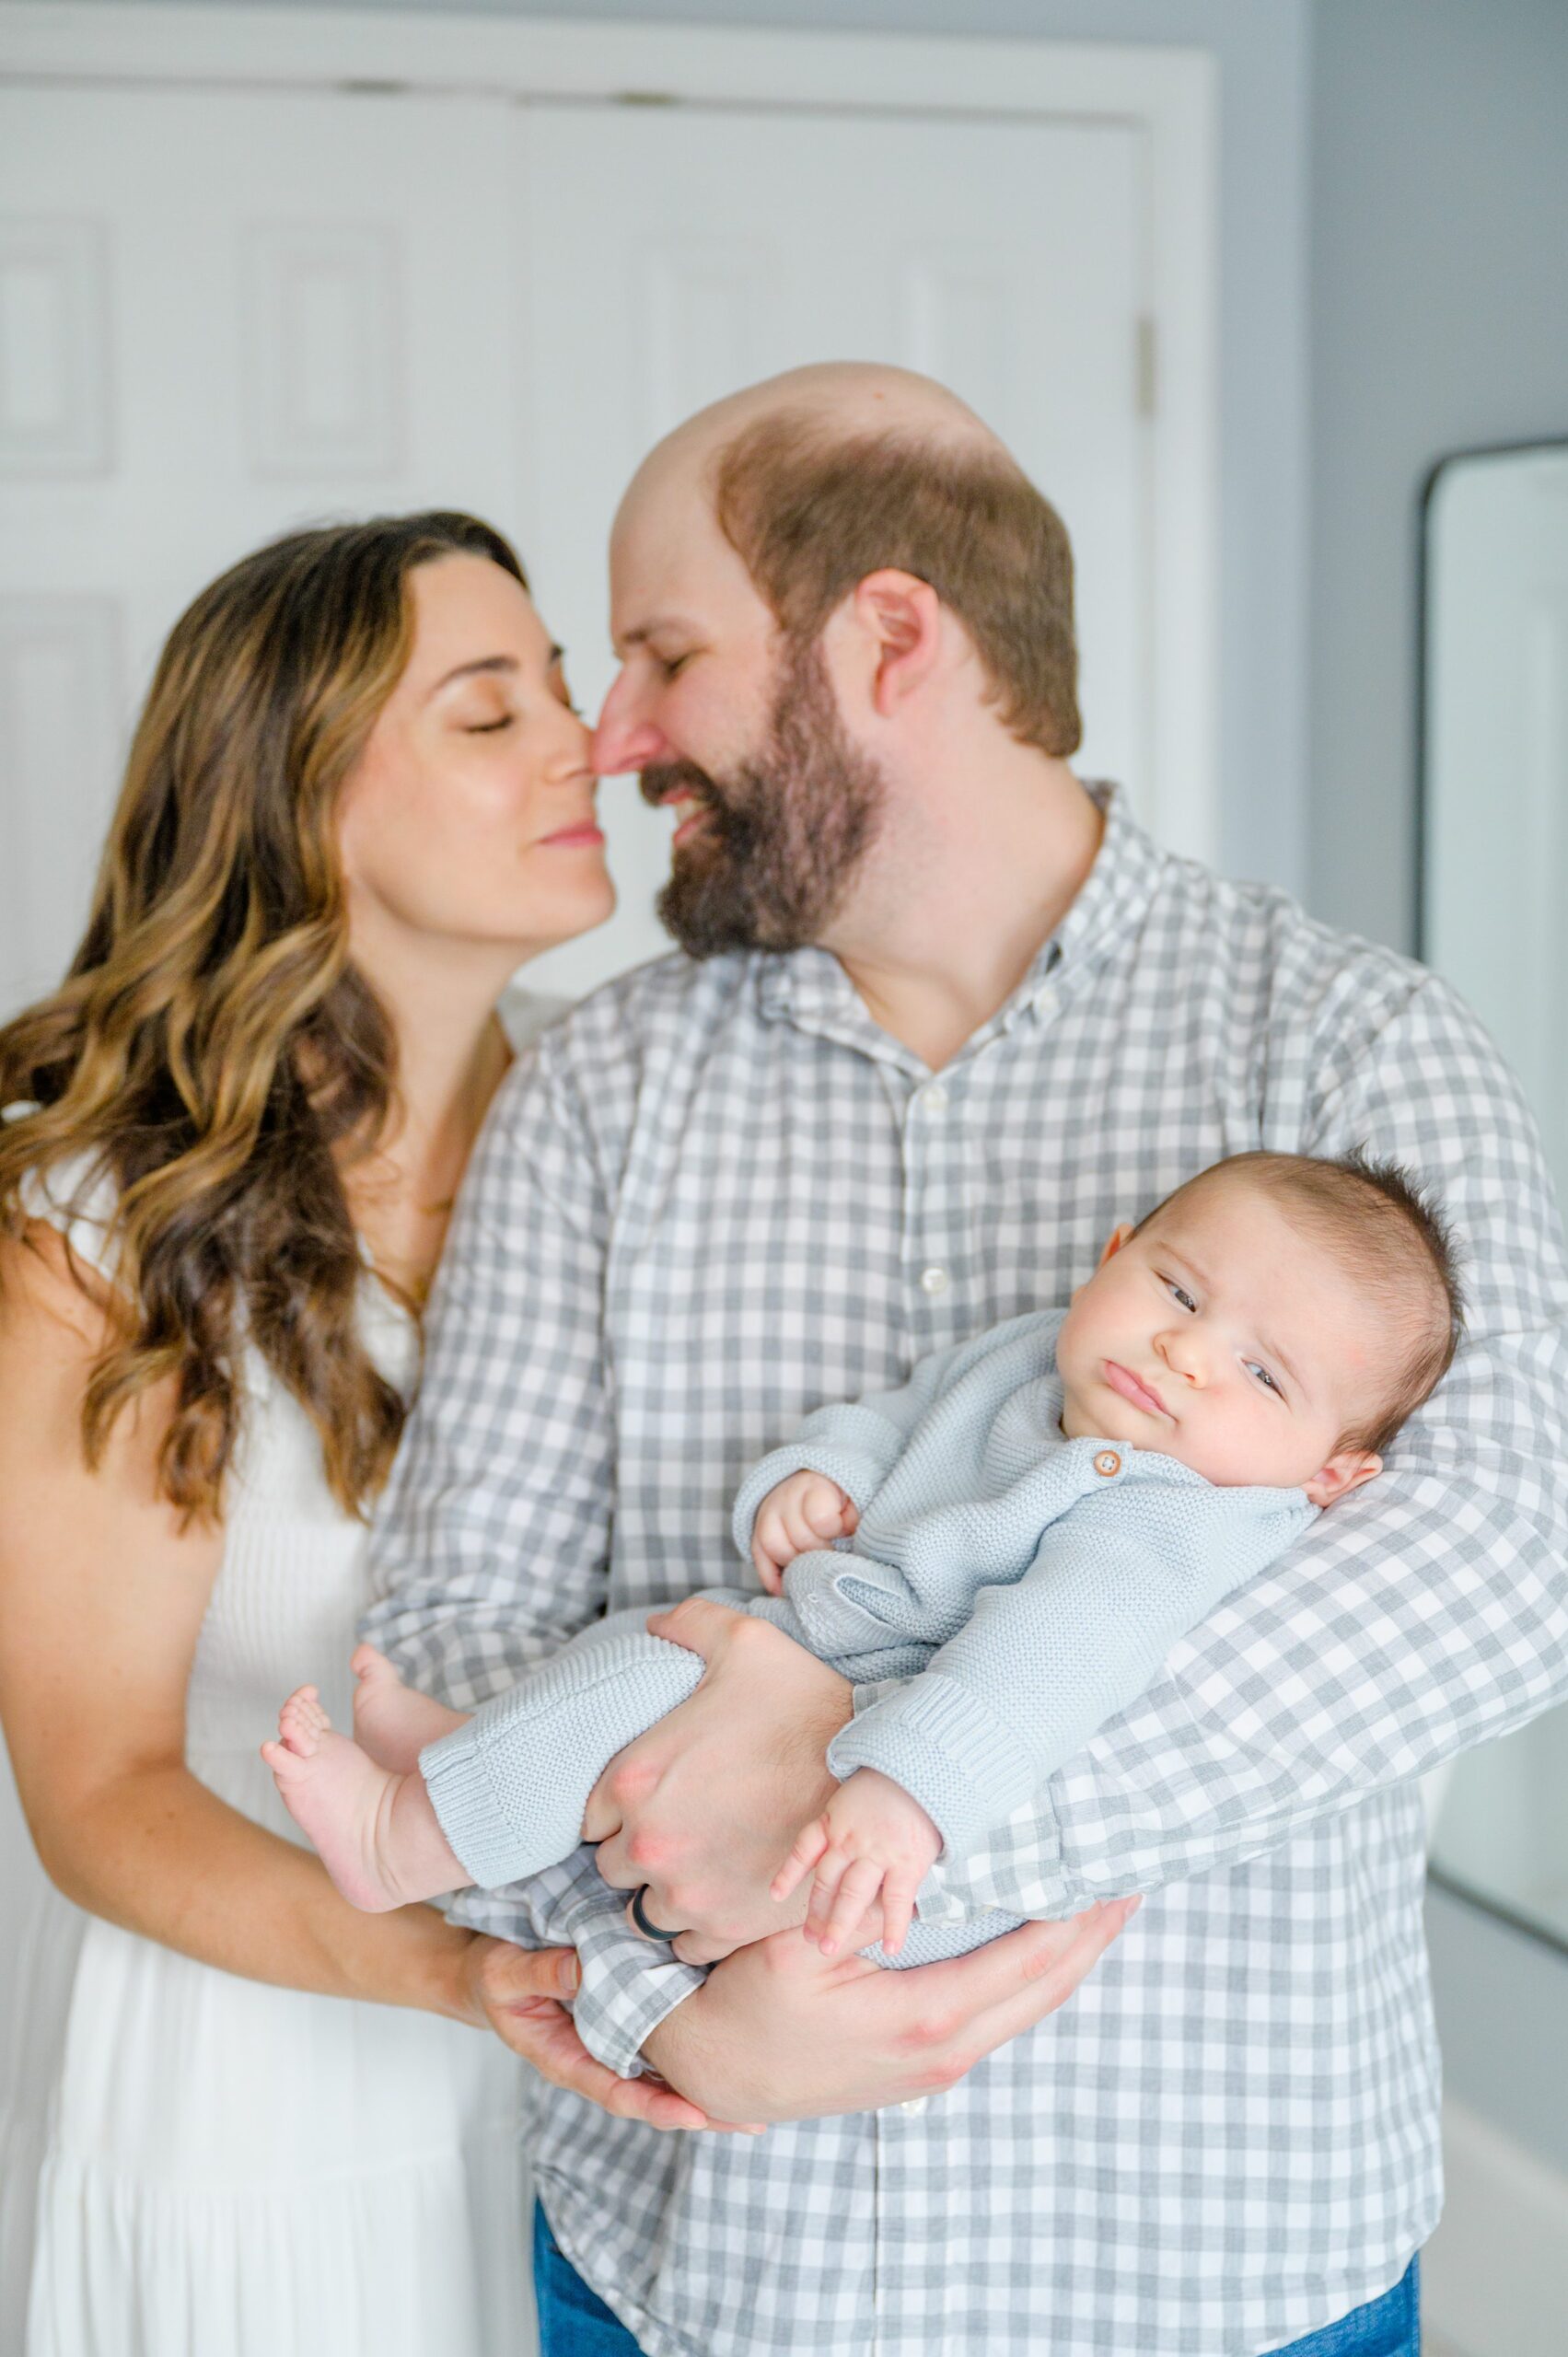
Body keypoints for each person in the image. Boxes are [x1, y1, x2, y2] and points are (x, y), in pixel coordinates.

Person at [364, 365, 1568, 2357]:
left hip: (1220, 2278)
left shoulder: (1352, 1044)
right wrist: (688, 1999)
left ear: (890, 636)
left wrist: (860, 1835)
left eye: (665, 653)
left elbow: (1500, 1573)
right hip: (701, 2267)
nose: (617, 736)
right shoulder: (596, 1092)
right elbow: (464, 1617)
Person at [0, 511, 719, 2357]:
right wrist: (460, 1973)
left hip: (607, 2081)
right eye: (493, 715)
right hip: (265, 2094)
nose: (588, 738)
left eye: (564, 685)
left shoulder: (640, 1117)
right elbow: (98, 1790)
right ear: (298, 796)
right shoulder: (105, 1213)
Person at [270, 1149, 1460, 1976]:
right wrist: (819, 1478)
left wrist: (906, 1799)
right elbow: (894, 1418)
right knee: (647, 1641)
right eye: (1178, 1288)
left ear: (1332, 1475)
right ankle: (484, 1762)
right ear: (1113, 1251)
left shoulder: (1172, 1516)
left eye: (1263, 1375)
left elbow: (1044, 1665)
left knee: (649, 1677)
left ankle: (399, 1845)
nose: (1187, 1351)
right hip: (811, 1658)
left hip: (883, 1804)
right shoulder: (1026, 1361)